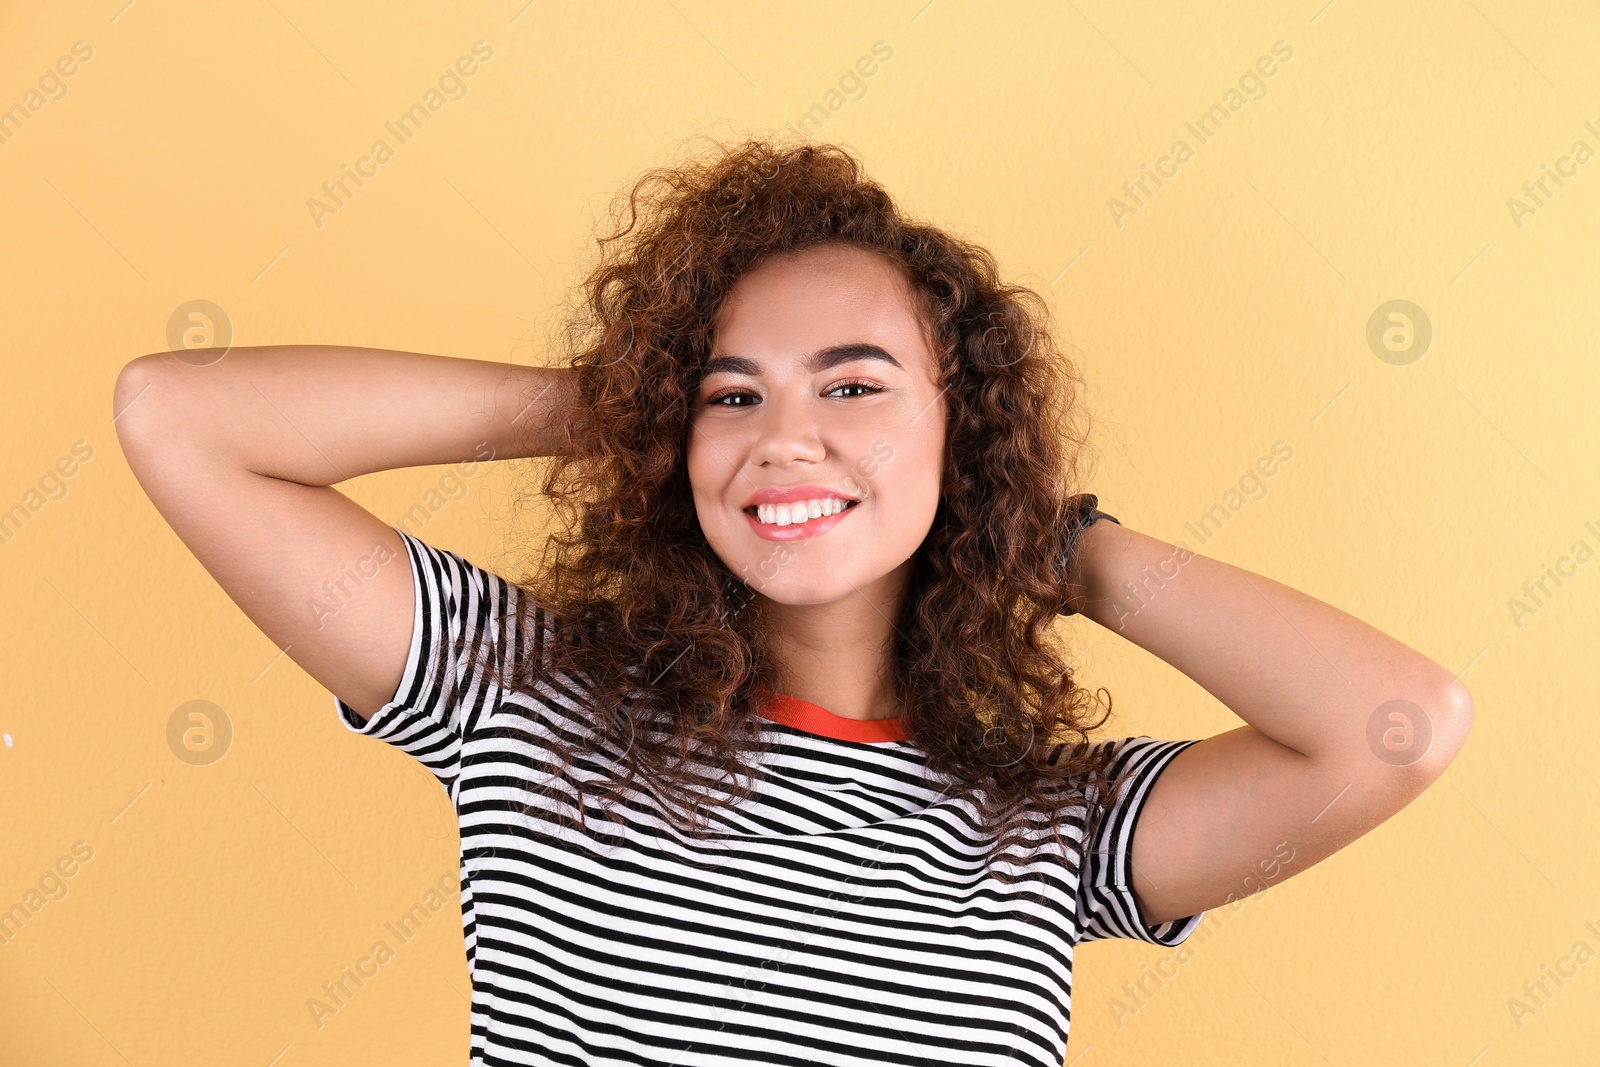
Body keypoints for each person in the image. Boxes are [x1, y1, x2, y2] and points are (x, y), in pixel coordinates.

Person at [113, 135, 1473, 1066]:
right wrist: (629, 405)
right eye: (734, 394)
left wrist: (1046, 536)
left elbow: (1399, 724)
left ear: (968, 427)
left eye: (854, 383)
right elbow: (179, 418)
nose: (787, 438)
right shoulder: (524, 698)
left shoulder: (1052, 826)